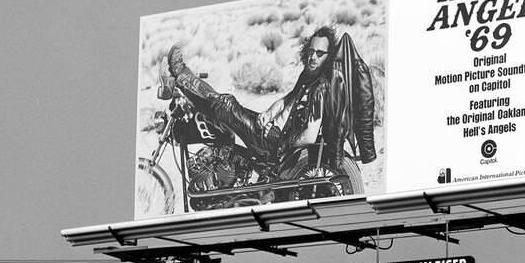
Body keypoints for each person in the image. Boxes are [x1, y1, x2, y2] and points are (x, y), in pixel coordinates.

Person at [160, 26, 376, 181]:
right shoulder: (309, 76)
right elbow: (288, 99)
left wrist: (284, 144)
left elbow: (310, 136)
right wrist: (269, 113)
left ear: (329, 57)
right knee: (221, 115)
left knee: (226, 105)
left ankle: (179, 74)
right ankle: (179, 85)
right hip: (273, 134)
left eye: (319, 54)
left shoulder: (320, 88)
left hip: (275, 144)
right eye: (310, 51)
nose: (312, 57)